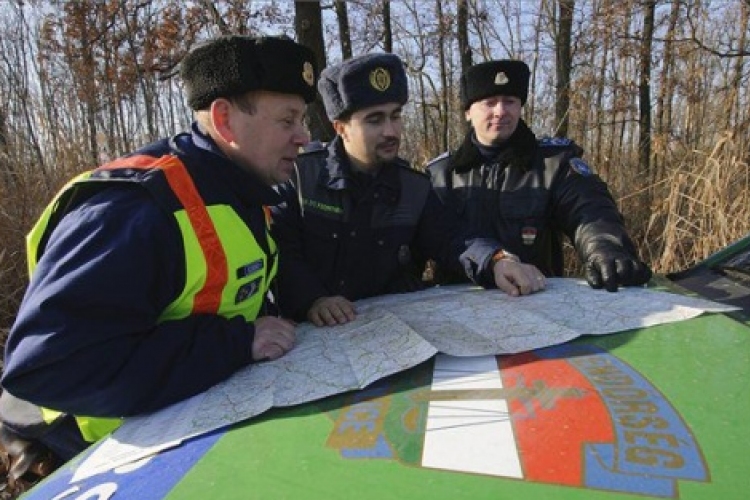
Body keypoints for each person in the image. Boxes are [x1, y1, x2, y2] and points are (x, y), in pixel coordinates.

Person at [0, 35, 316, 484]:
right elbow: (49, 369)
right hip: (82, 454)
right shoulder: (135, 210)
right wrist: (236, 343)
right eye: (289, 120)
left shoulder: (243, 191)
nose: (305, 136)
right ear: (225, 120)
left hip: (174, 423)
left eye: (303, 119)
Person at [272, 53, 545, 328]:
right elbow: (280, 253)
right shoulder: (299, 178)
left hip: (389, 335)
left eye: (396, 116)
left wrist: (497, 260)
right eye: (375, 120)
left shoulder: (413, 188)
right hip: (314, 337)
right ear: (341, 128)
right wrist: (313, 300)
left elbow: (454, 239)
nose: (391, 131)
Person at [427, 59, 652, 292]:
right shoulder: (440, 175)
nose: (501, 111)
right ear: (467, 112)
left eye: (510, 101)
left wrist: (605, 246)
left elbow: (589, 209)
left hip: (536, 300)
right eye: (490, 102)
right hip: (460, 310)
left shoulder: (552, 164)